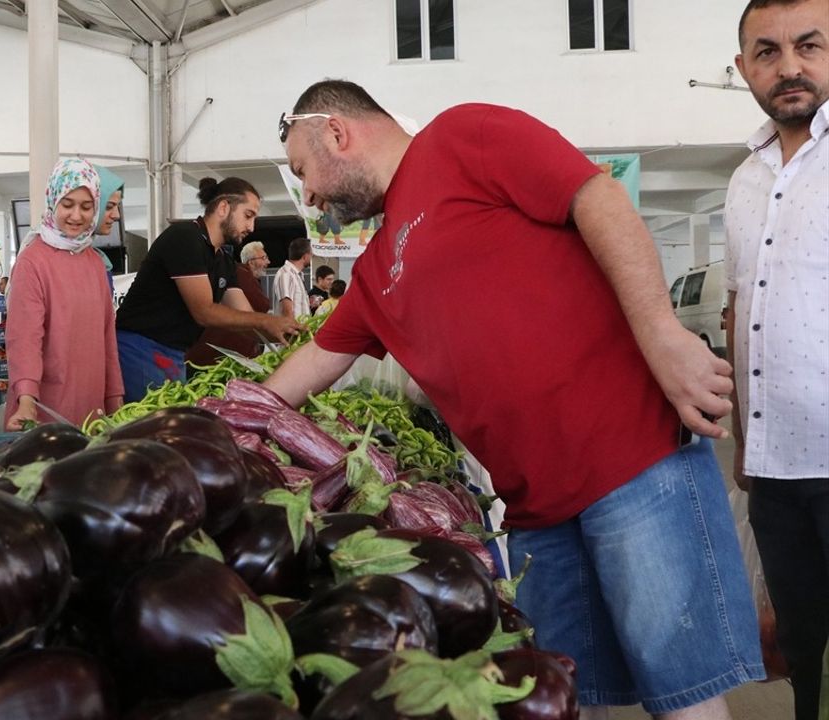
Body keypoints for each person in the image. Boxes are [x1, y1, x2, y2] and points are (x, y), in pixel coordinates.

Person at [267, 80, 762, 719]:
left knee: (685, 692)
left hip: (632, 462)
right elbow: (314, 362)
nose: (309, 195)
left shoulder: (462, 135)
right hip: (533, 511)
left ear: (336, 131)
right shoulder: (374, 269)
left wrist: (662, 331)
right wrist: (221, 418)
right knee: (560, 697)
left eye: (305, 171)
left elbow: (597, 197)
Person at [725, 2, 829, 717]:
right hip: (773, 467)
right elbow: (740, 314)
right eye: (767, 51)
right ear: (743, 69)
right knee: (800, 641)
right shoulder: (744, 181)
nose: (788, 66)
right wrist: (742, 433)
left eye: (809, 45)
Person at [114, 177, 303, 402]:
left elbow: (245, 317)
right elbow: (204, 311)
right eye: (248, 215)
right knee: (149, 427)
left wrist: (289, 338)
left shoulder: (223, 259)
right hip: (139, 349)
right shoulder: (185, 238)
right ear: (224, 207)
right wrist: (266, 322)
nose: (251, 227)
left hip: (173, 353)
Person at [5, 158, 123, 430]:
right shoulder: (32, 262)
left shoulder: (94, 261)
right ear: (53, 202)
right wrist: (26, 399)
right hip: (42, 409)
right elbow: (24, 339)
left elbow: (107, 336)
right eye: (67, 205)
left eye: (86, 206)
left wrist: (115, 399)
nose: (77, 216)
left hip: (91, 406)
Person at [185, 240, 273, 366]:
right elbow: (261, 305)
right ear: (251, 261)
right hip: (221, 353)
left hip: (213, 351)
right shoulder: (241, 274)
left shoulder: (236, 274)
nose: (268, 262)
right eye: (263, 258)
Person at [273, 237, 313, 320]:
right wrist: (293, 332)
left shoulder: (296, 275)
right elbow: (287, 309)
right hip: (294, 331)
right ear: (305, 256)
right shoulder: (286, 274)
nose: (312, 257)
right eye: (311, 254)